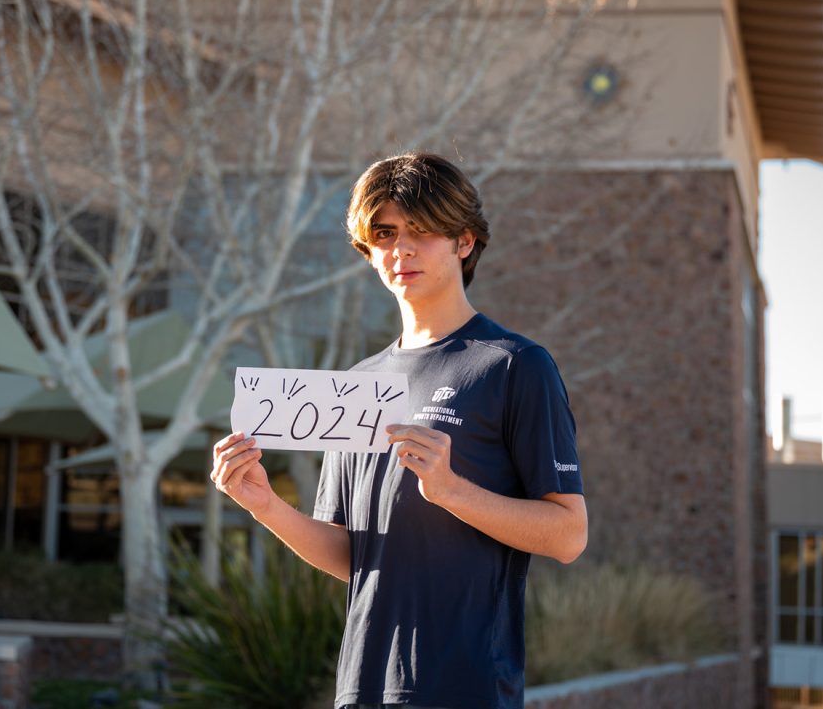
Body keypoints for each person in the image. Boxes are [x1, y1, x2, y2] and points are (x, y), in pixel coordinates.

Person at [211, 152, 587, 709]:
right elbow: (351, 555)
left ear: (464, 241)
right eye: (384, 233)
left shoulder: (514, 365)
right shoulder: (359, 383)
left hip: (466, 689)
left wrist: (452, 490)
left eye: (422, 230)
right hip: (361, 689)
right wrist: (264, 505)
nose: (400, 249)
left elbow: (568, 536)